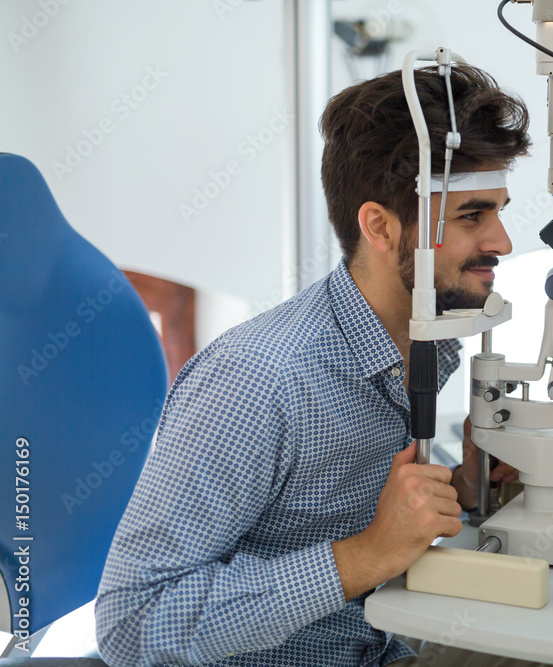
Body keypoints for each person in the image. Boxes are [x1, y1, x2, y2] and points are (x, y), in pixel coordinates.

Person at [96, 64, 530, 666]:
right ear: (380, 227)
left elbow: (345, 514)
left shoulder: (422, 343)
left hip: (382, 645)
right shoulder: (259, 381)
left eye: (499, 212)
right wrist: (367, 555)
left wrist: (462, 488)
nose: (503, 241)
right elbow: (131, 625)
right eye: (471, 216)